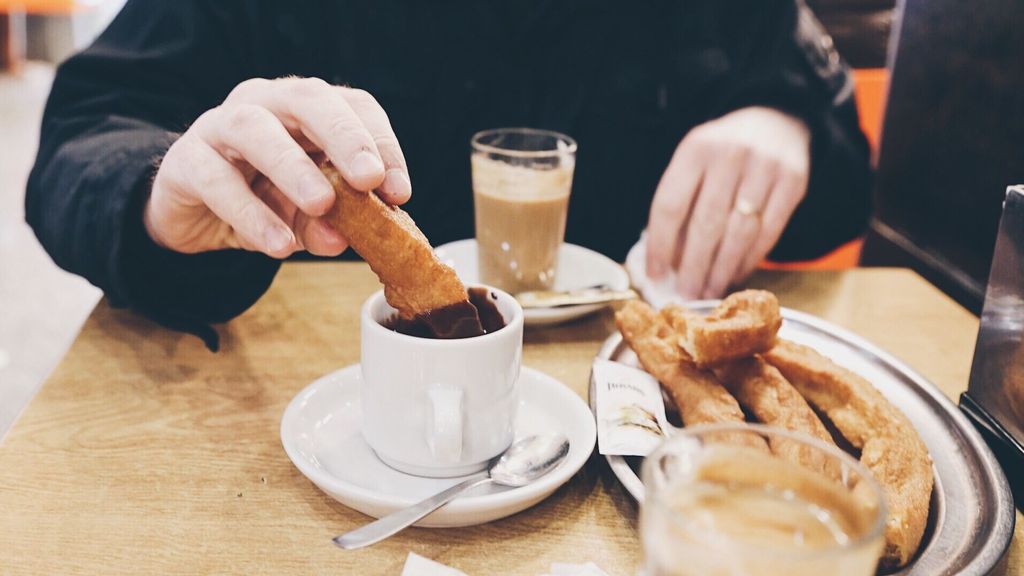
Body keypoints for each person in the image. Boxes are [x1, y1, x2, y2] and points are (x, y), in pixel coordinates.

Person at [26, 1, 871, 349]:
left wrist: (785, 122)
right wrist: (152, 190)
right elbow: (84, 131)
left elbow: (845, 179)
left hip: (638, 401)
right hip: (333, 409)